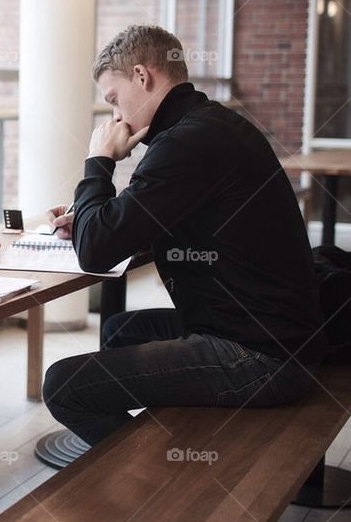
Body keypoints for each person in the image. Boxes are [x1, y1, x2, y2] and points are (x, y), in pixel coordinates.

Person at [43, 25, 326, 447]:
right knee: (122, 331)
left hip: (260, 357)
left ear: (142, 76)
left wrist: (97, 160)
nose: (116, 117)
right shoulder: (211, 125)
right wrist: (89, 220)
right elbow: (144, 222)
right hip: (278, 336)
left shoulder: (186, 142)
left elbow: (96, 253)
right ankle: (149, 450)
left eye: (114, 99)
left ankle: (154, 476)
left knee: (64, 385)